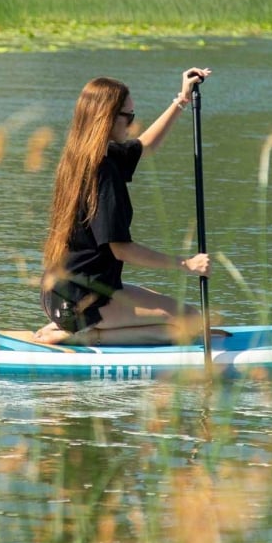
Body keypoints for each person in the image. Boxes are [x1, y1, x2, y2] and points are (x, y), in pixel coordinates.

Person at [35, 67, 214, 345]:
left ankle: (73, 327)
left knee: (189, 317)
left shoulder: (85, 155)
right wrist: (186, 264)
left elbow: (145, 146)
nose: (131, 123)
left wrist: (182, 99)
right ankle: (81, 335)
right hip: (81, 300)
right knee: (191, 323)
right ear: (107, 117)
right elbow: (121, 249)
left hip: (65, 292)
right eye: (128, 116)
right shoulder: (101, 172)